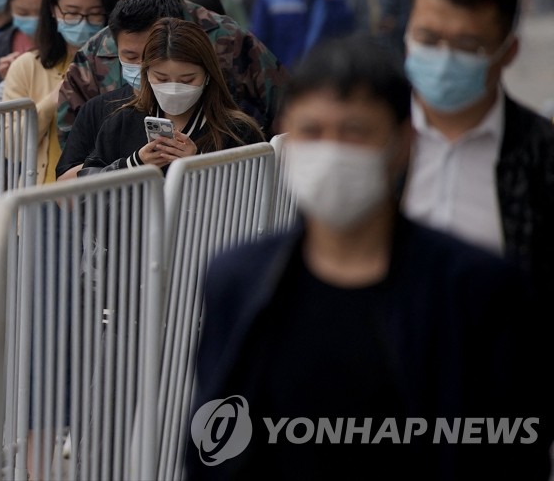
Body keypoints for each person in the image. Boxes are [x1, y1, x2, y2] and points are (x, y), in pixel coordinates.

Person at [186, 36, 551, 480]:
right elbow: (212, 447)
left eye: (355, 131)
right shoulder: (239, 281)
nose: (331, 151)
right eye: (312, 132)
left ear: (403, 143)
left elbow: (512, 452)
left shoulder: (476, 289)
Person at [401, 0, 554, 316]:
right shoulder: (374, 142)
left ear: (508, 51)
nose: (443, 57)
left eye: (466, 45)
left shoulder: (540, 156)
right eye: (427, 38)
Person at [56, 0, 286, 148]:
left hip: (216, 177)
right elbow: (72, 139)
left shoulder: (226, 38)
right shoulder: (95, 53)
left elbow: (282, 105)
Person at [82, 18, 262, 174]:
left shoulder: (237, 132)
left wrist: (198, 165)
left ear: (208, 76)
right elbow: (88, 189)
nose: (174, 89)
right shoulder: (123, 122)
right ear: (146, 74)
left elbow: (250, 199)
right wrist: (133, 164)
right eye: (162, 78)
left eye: (187, 79)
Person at [2, 0, 118, 183]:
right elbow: (11, 147)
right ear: (54, 10)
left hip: (103, 201)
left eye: (94, 14)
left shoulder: (122, 67)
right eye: (72, 13)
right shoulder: (27, 67)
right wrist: (56, 97)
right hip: (44, 198)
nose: (82, 23)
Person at [55, 0, 185, 180]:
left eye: (152, 54)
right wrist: (131, 165)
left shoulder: (212, 112)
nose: (143, 66)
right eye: (130, 56)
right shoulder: (98, 110)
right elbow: (64, 191)